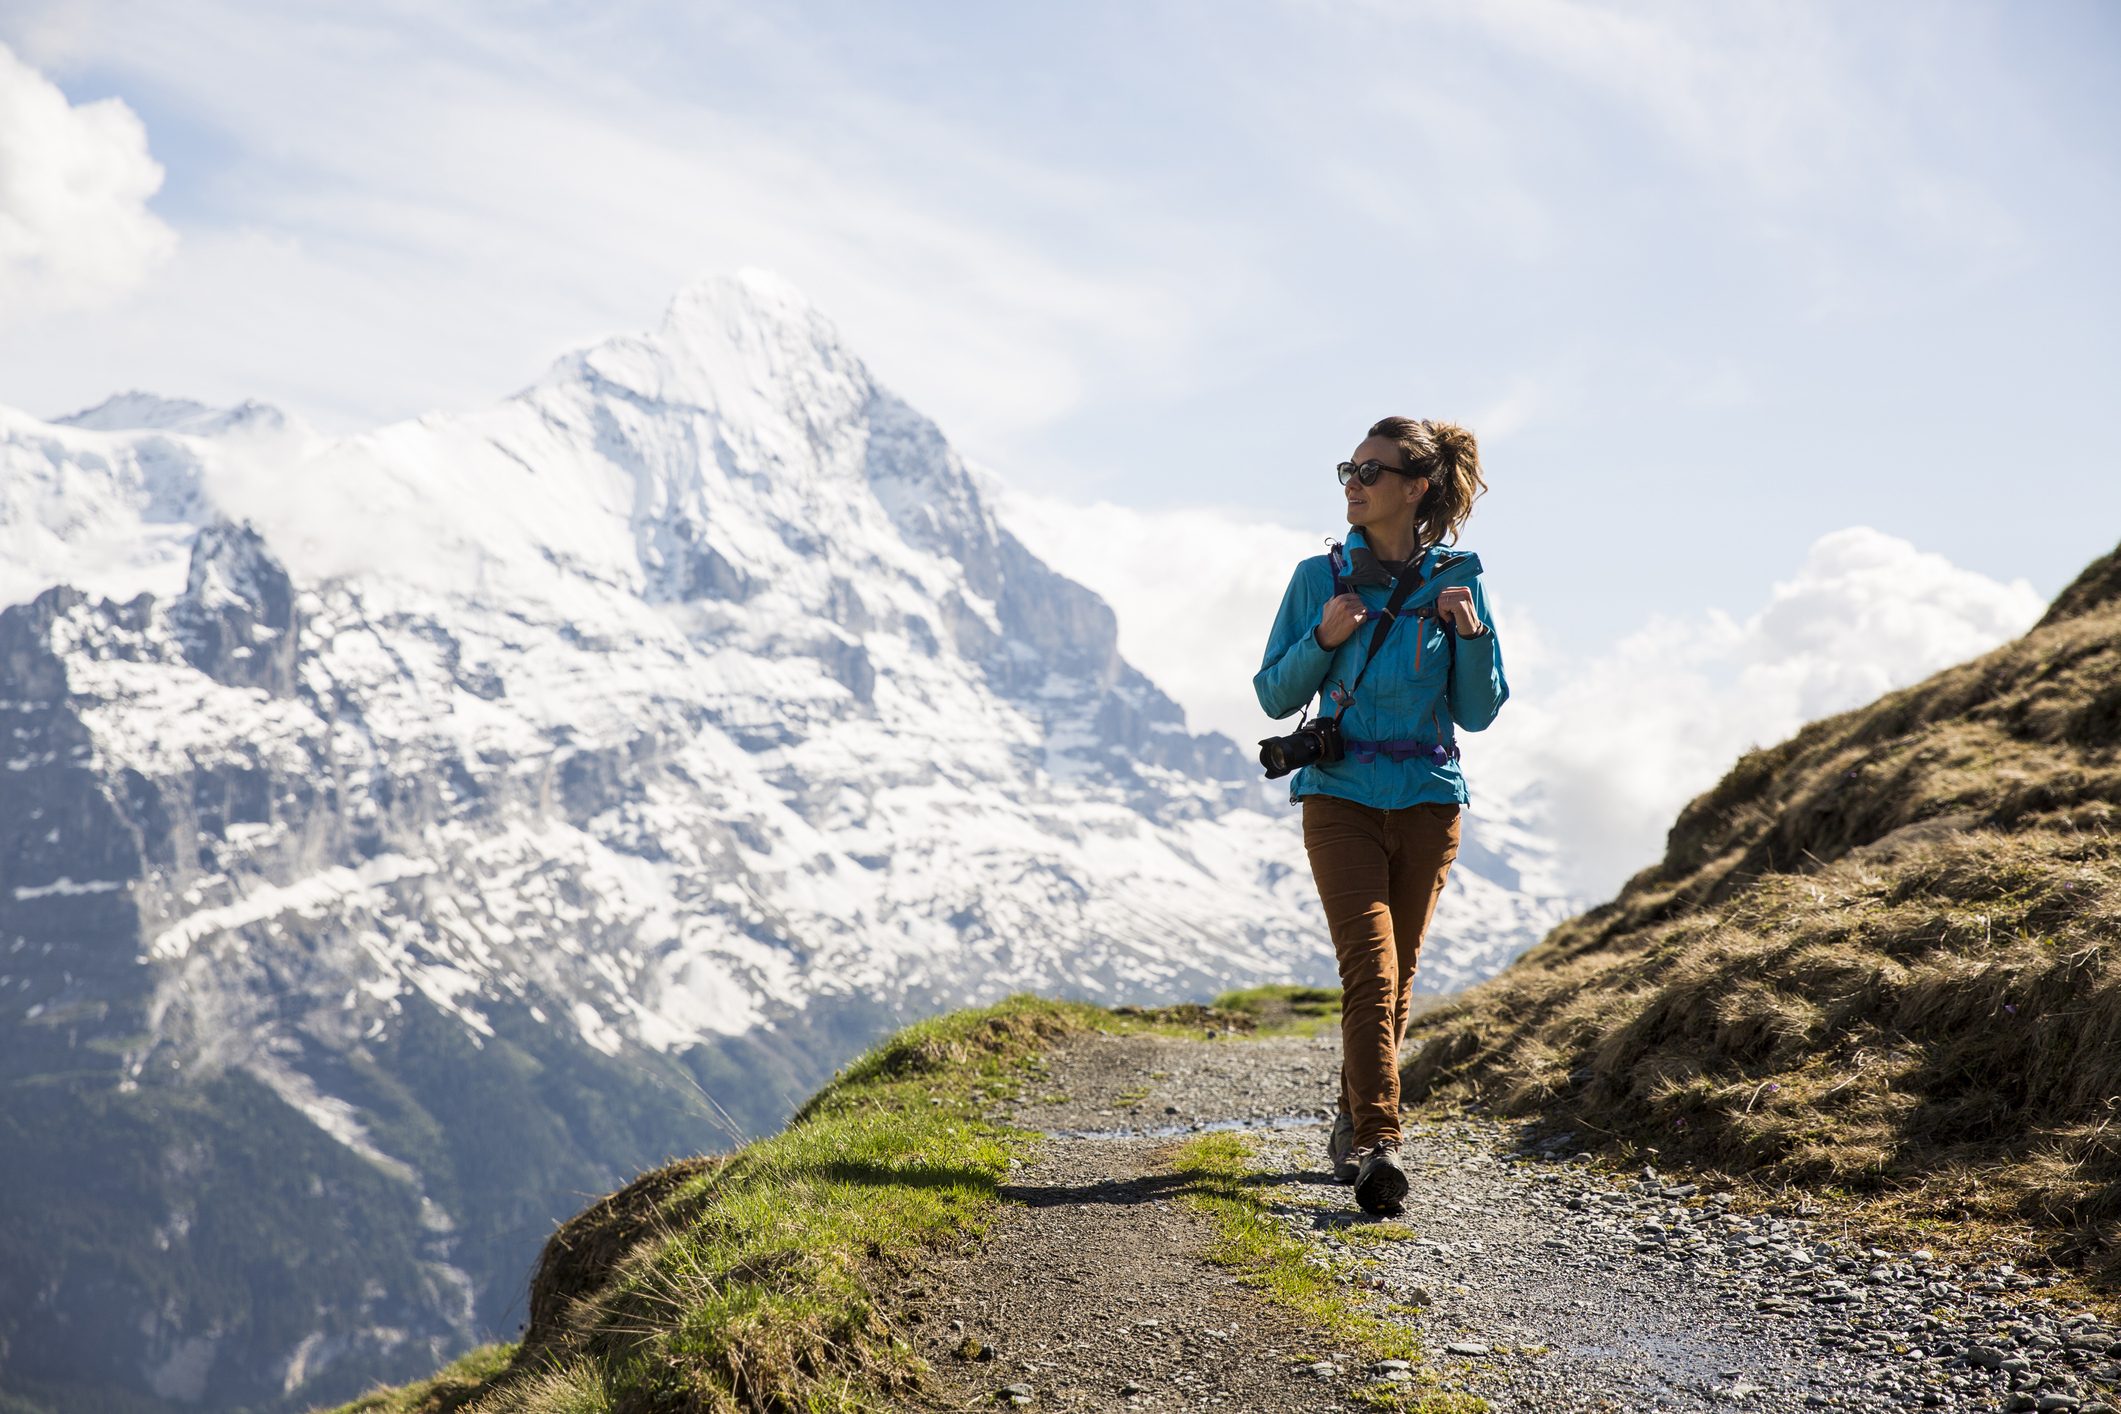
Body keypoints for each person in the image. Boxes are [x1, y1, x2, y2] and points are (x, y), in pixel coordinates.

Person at [1253, 417, 1508, 1216]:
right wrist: (1321, 641)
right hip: (1338, 796)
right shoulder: (1317, 578)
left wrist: (1470, 638)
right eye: (1348, 470)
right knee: (1370, 968)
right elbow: (1273, 693)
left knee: (1395, 981)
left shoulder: (1458, 578)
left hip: (1430, 801)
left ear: (1415, 487)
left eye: (1371, 470)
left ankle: (1351, 1117)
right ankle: (1378, 1143)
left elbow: (1478, 711)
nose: (1353, 483)